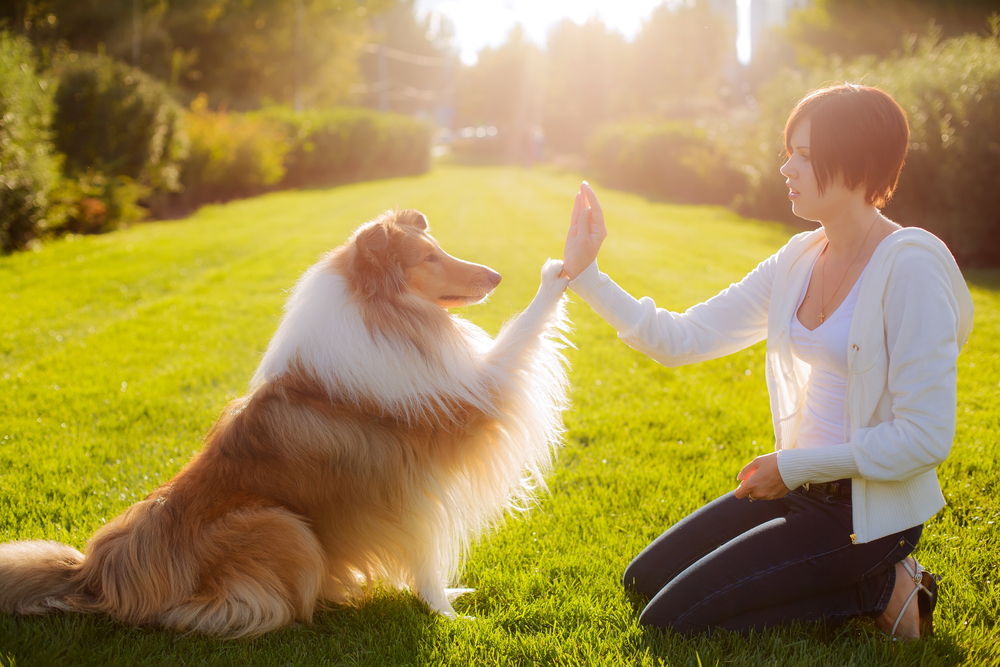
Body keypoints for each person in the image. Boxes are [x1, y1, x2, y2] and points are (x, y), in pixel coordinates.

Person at [558, 84, 974, 638]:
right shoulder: (798, 259)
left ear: (856, 164)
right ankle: (863, 582)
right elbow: (681, 337)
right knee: (641, 580)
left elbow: (925, 439)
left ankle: (882, 585)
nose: (785, 168)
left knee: (671, 622)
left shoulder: (911, 268)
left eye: (803, 155)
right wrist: (587, 275)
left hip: (866, 515)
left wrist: (793, 465)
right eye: (789, 152)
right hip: (796, 488)